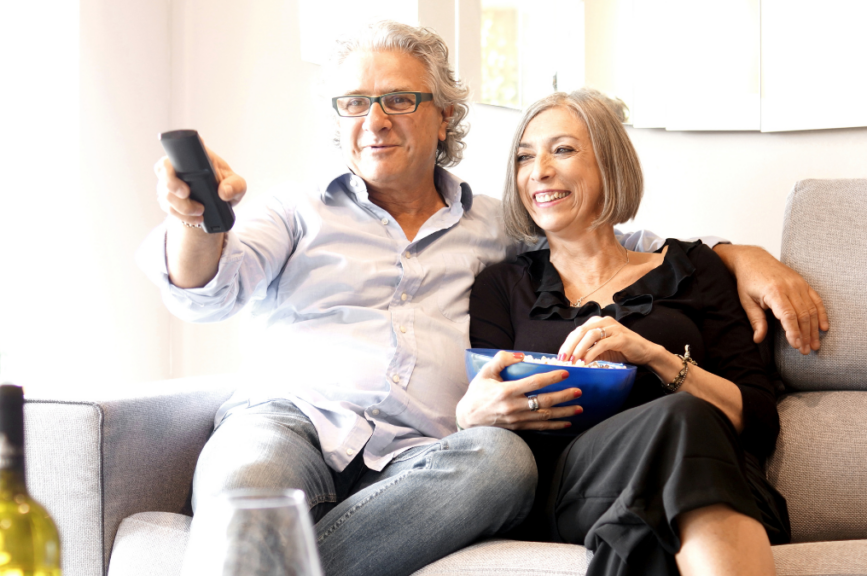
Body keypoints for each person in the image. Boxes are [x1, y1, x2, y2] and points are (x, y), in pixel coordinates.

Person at [138, 21, 821, 576]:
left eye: (398, 99)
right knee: (247, 487)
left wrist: (742, 255)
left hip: (425, 459)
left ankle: (264, 566)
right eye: (354, 103)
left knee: (502, 462)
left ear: (445, 119)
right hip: (290, 422)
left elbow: (611, 238)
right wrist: (195, 220)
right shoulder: (293, 211)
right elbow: (206, 291)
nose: (373, 119)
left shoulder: (502, 227)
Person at [466, 88, 791, 576]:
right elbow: (490, 401)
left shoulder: (696, 269)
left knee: (675, 438)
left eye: (563, 149)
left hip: (713, 471)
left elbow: (760, 420)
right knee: (679, 417)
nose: (539, 171)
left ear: (610, 164)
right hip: (576, 485)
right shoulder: (501, 284)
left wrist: (655, 356)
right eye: (524, 156)